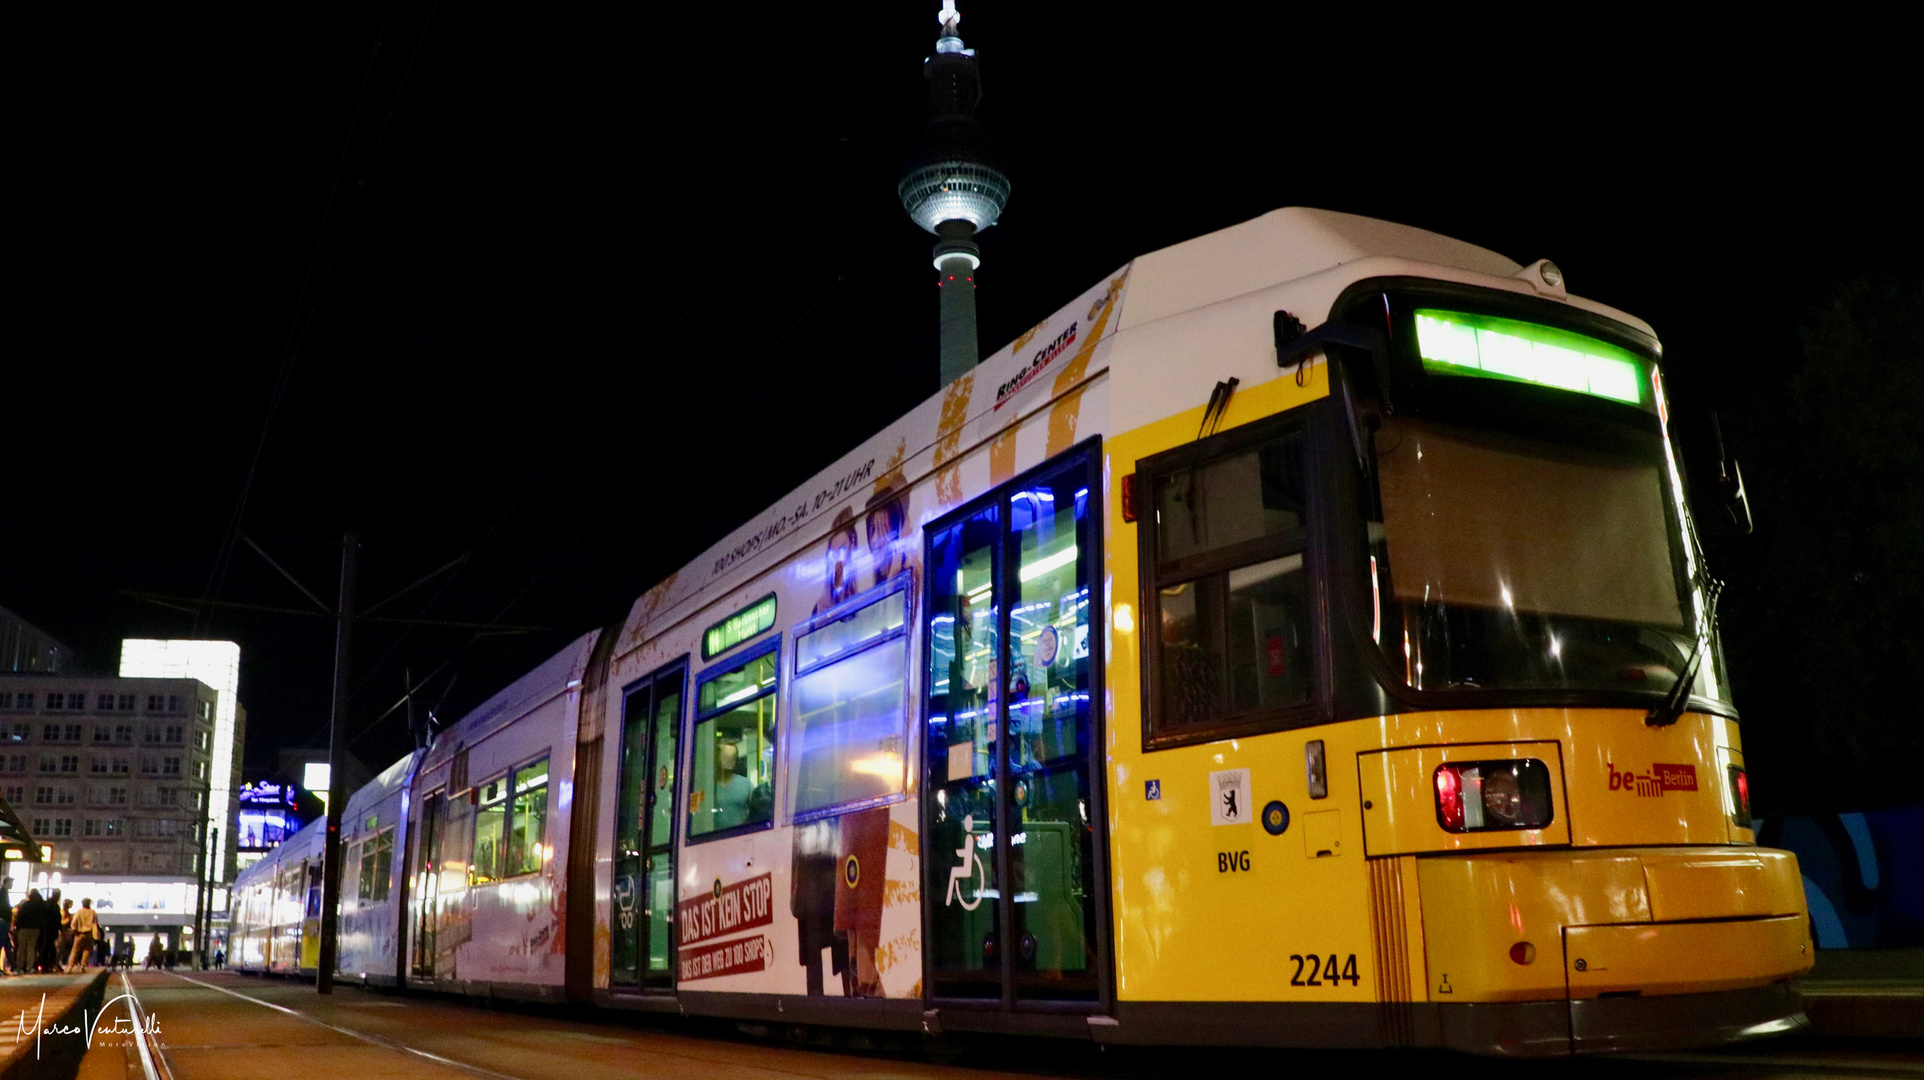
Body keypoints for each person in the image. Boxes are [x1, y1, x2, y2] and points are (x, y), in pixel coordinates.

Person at [15, 890, 45, 974]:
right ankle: (29, 967)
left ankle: (20, 967)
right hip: (35, 929)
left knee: (21, 949)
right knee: (31, 949)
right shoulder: (40, 906)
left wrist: (18, 927)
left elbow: (20, 916)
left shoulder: (26, 905)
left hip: (24, 928)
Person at [65, 899, 98, 972]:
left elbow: (74, 922)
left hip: (79, 934)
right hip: (89, 934)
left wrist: (74, 930)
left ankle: (70, 966)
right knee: (86, 950)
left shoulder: (79, 912)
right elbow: (95, 925)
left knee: (75, 950)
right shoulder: (93, 912)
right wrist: (96, 936)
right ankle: (83, 967)